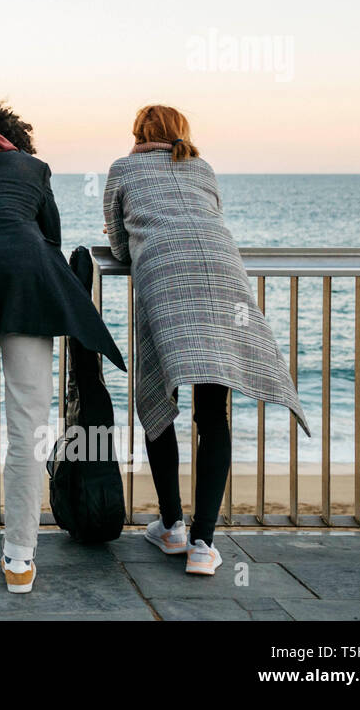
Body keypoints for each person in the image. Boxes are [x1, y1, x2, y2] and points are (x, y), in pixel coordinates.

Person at [103, 104, 309, 576]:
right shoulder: (202, 167)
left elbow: (117, 244)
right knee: (212, 413)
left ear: (138, 133)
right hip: (222, 276)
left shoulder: (123, 168)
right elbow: (209, 217)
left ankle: (172, 525)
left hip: (165, 279)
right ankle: (203, 545)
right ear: (182, 133)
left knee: (158, 397)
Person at [0, 96, 125, 593]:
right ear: (17, 139)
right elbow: (51, 238)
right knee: (26, 422)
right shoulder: (34, 169)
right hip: (27, 285)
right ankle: (18, 557)